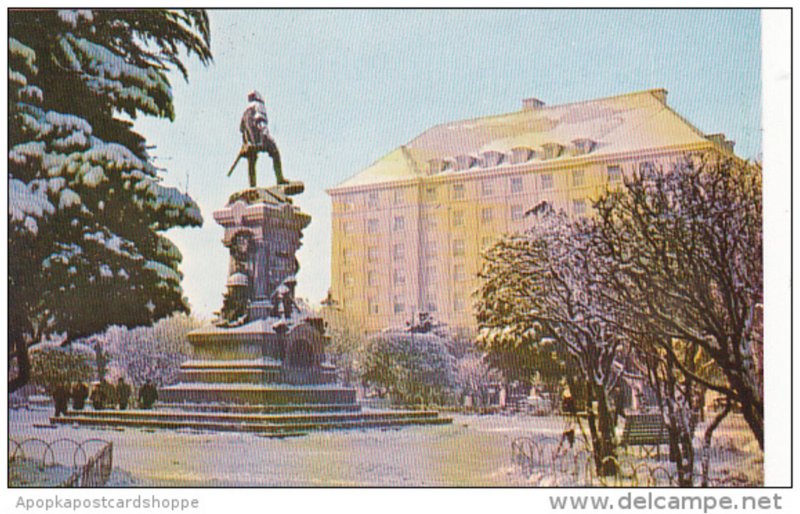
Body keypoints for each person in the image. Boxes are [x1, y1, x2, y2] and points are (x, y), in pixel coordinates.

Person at [228, 90, 287, 188]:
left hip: (250, 142)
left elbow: (242, 128)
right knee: (275, 152)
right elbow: (261, 120)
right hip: (260, 138)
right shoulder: (258, 106)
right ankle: (280, 179)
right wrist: (265, 135)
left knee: (251, 160)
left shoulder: (245, 111)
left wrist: (246, 143)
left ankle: (252, 186)